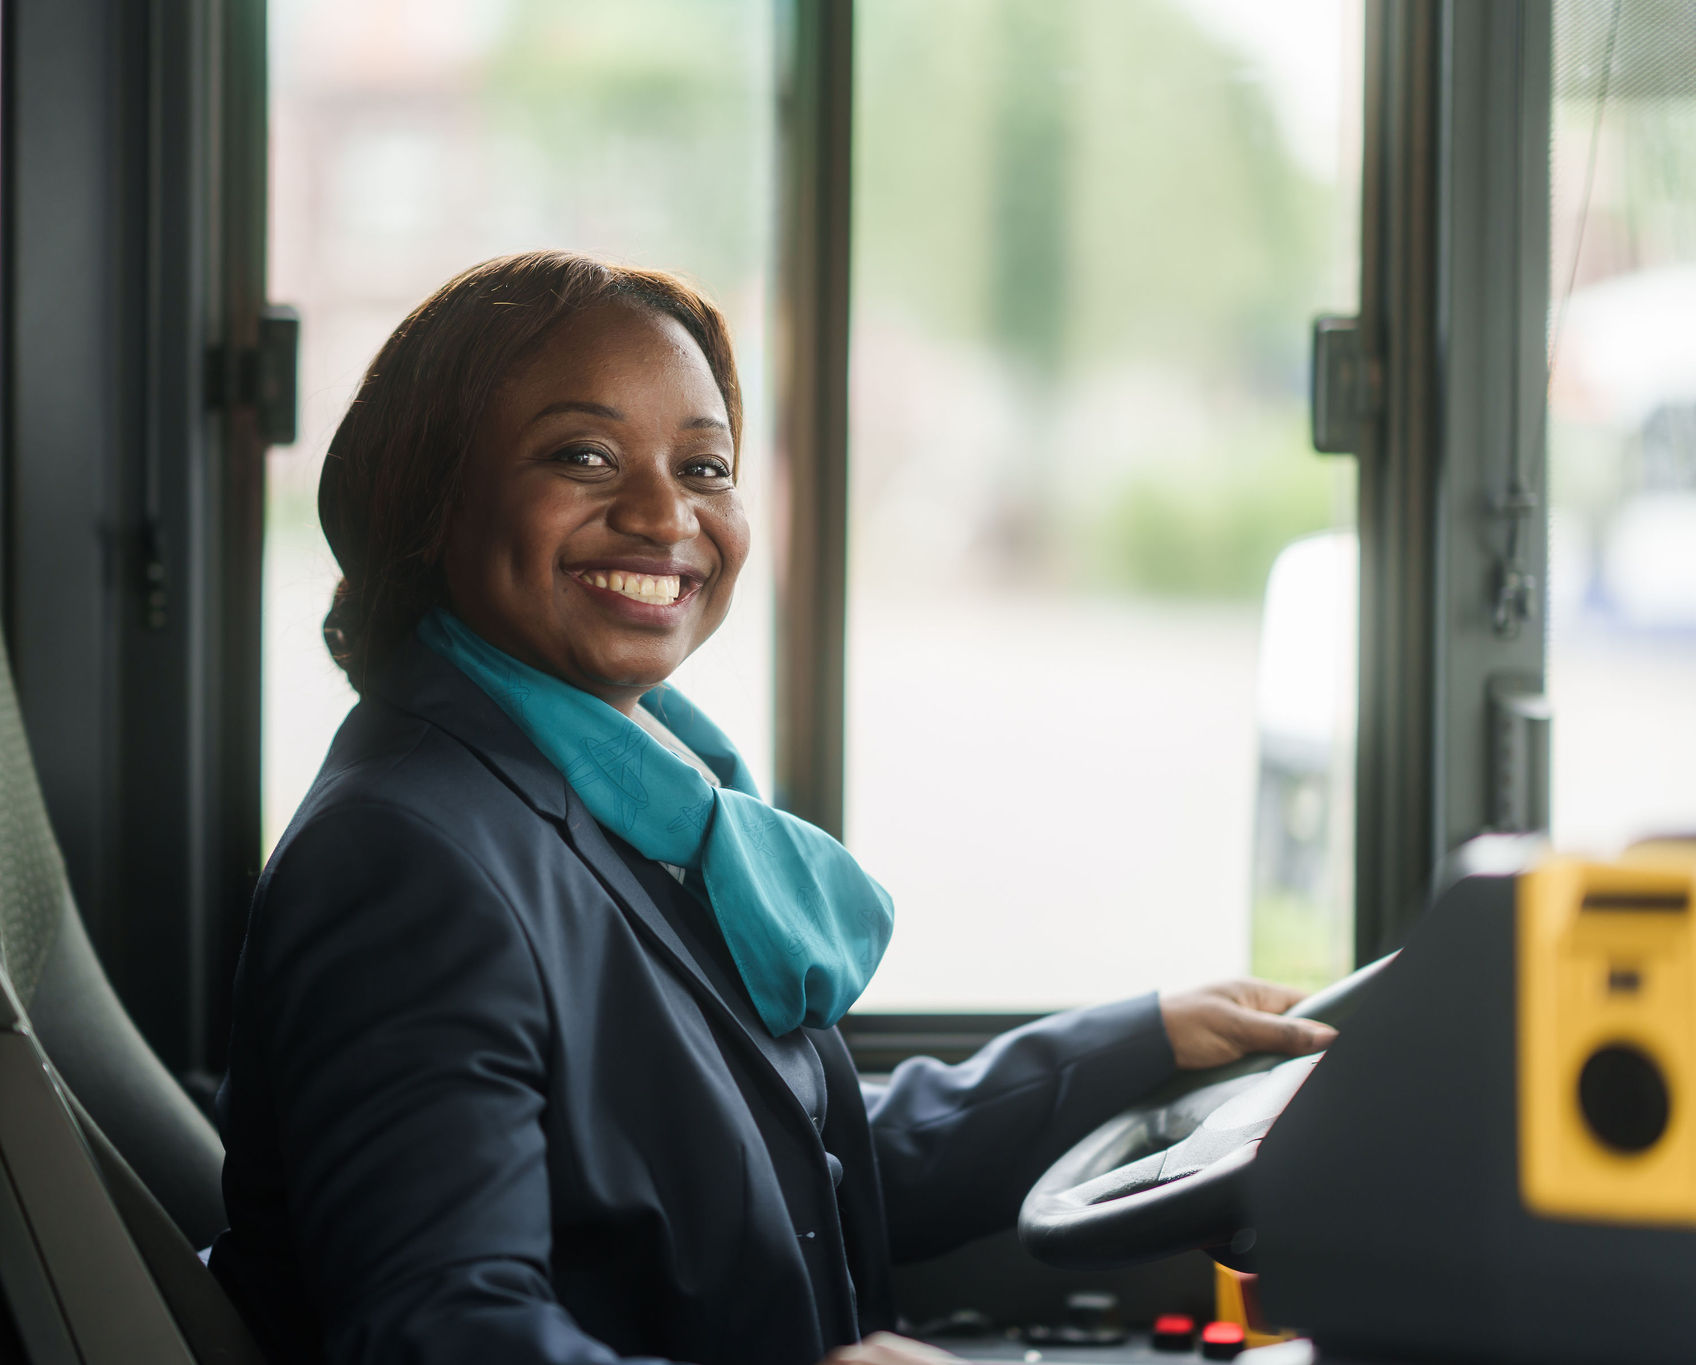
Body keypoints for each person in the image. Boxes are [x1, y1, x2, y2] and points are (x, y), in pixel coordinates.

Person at [209, 250, 1336, 1365]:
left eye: (703, 469)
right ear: (430, 498)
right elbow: (441, 1335)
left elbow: (776, 1163)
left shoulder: (631, 794)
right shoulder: (406, 857)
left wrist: (1137, 1042)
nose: (663, 515)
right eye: (583, 455)